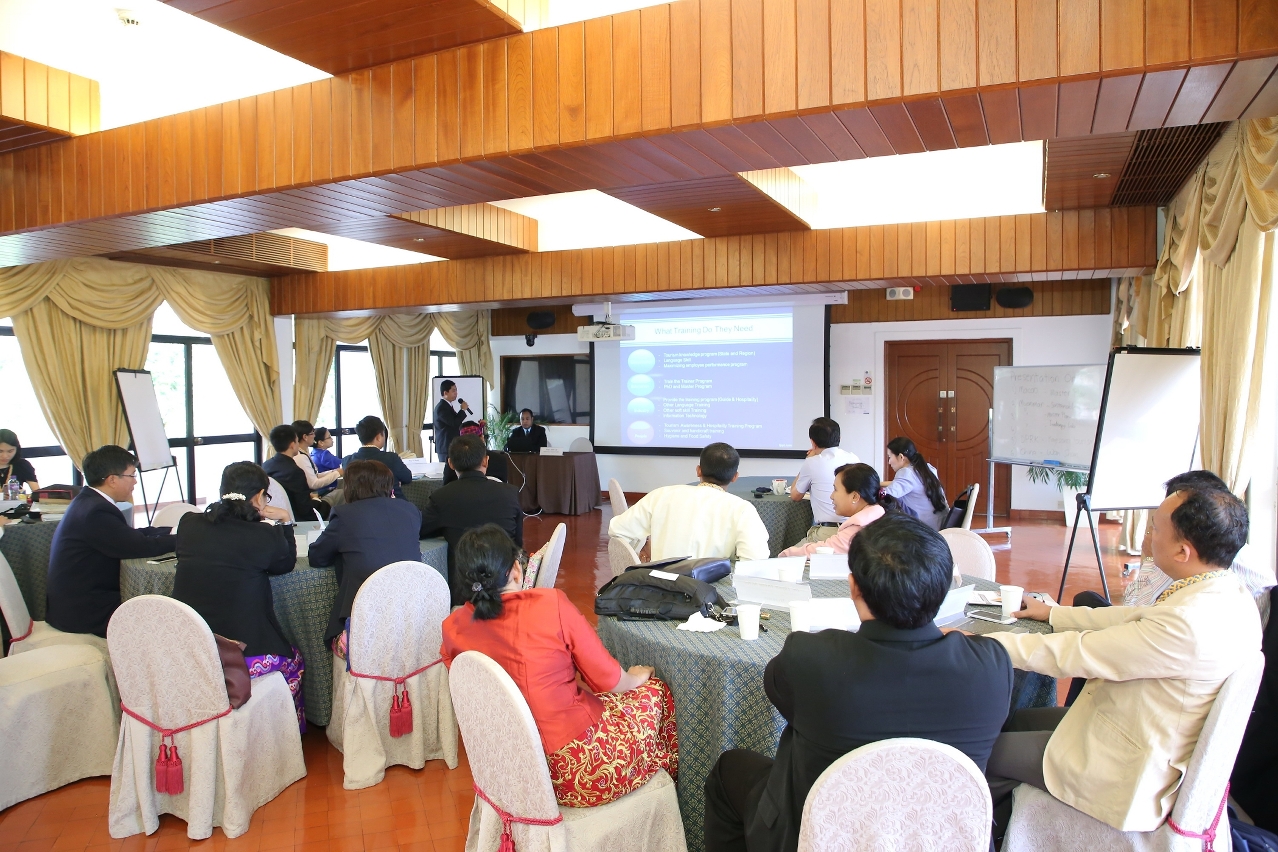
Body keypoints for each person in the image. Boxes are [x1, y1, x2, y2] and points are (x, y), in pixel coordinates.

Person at [704, 514, 1014, 852]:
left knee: (729, 770)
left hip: (817, 836)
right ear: (943, 591)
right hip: (941, 839)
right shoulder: (992, 665)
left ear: (853, 587)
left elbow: (782, 697)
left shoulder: (811, 658)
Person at [984, 485, 1262, 835]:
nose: (1148, 537)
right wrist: (1055, 614)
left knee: (982, 753)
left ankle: (993, 833)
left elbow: (1075, 654)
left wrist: (984, 645)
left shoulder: (1188, 623)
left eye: (1155, 529)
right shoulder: (1227, 592)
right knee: (1020, 720)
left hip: (1128, 766)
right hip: (1137, 726)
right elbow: (1128, 619)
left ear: (1183, 550)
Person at [441, 524, 677, 808]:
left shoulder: (452, 628)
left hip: (511, 772)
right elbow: (610, 682)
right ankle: (667, 802)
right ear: (517, 570)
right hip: (578, 771)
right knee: (656, 691)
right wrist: (635, 678)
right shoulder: (549, 604)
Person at [171, 462, 306, 728]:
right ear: (259, 496)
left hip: (191, 645)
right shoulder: (263, 536)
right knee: (296, 662)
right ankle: (280, 738)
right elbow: (285, 565)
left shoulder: (189, 524)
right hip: (243, 651)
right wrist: (285, 521)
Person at [45, 446, 177, 638]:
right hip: (85, 612)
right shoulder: (96, 512)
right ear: (112, 479)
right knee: (158, 617)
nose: (135, 482)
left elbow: (126, 536)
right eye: (132, 475)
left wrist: (171, 531)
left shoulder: (88, 501)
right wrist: (183, 539)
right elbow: (139, 547)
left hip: (75, 603)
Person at [309, 460, 424, 657]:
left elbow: (317, 557)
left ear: (351, 486)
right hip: (413, 619)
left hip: (365, 626)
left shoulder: (345, 515)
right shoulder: (410, 510)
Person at [609, 442, 770, 562]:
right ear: (735, 477)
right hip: (710, 596)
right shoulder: (741, 509)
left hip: (658, 591)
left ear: (698, 470)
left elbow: (617, 529)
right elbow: (755, 561)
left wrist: (645, 544)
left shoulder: (661, 494)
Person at [420, 434, 523, 605]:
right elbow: (518, 542)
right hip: (506, 584)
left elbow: (422, 529)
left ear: (450, 463)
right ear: (486, 461)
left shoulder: (442, 498)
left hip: (464, 590)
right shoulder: (510, 493)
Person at [780, 463, 891, 557]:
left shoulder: (859, 526)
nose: (832, 496)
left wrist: (785, 555)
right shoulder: (878, 515)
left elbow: (825, 550)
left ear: (855, 497)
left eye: (835, 490)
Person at [788, 418, 858, 546]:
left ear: (813, 442)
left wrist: (808, 460)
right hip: (855, 530)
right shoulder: (854, 458)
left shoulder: (812, 462)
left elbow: (795, 495)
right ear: (840, 438)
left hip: (827, 533)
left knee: (785, 557)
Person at [262, 424, 329, 521]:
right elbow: (305, 509)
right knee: (331, 503)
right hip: (296, 518)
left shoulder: (266, 465)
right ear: (292, 445)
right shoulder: (295, 472)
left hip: (274, 516)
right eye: (297, 441)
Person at [882, 437, 948, 529]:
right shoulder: (927, 468)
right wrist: (880, 483)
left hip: (926, 529)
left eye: (890, 457)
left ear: (901, 457)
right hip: (941, 524)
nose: (889, 462)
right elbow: (909, 484)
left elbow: (885, 496)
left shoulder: (906, 473)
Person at [343, 415, 413, 499]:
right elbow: (407, 478)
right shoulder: (391, 458)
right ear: (378, 437)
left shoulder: (347, 461)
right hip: (393, 507)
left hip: (359, 509)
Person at [291, 419, 341, 494]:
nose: (314, 436)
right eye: (312, 433)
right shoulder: (300, 457)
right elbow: (314, 484)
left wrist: (334, 472)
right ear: (305, 437)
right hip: (315, 494)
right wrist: (337, 473)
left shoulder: (307, 452)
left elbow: (315, 475)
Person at [433, 380, 472, 461]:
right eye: (453, 390)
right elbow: (454, 423)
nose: (456, 393)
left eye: (456, 390)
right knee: (447, 471)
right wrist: (462, 410)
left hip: (451, 446)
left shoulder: (447, 406)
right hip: (445, 447)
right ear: (445, 393)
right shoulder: (442, 408)